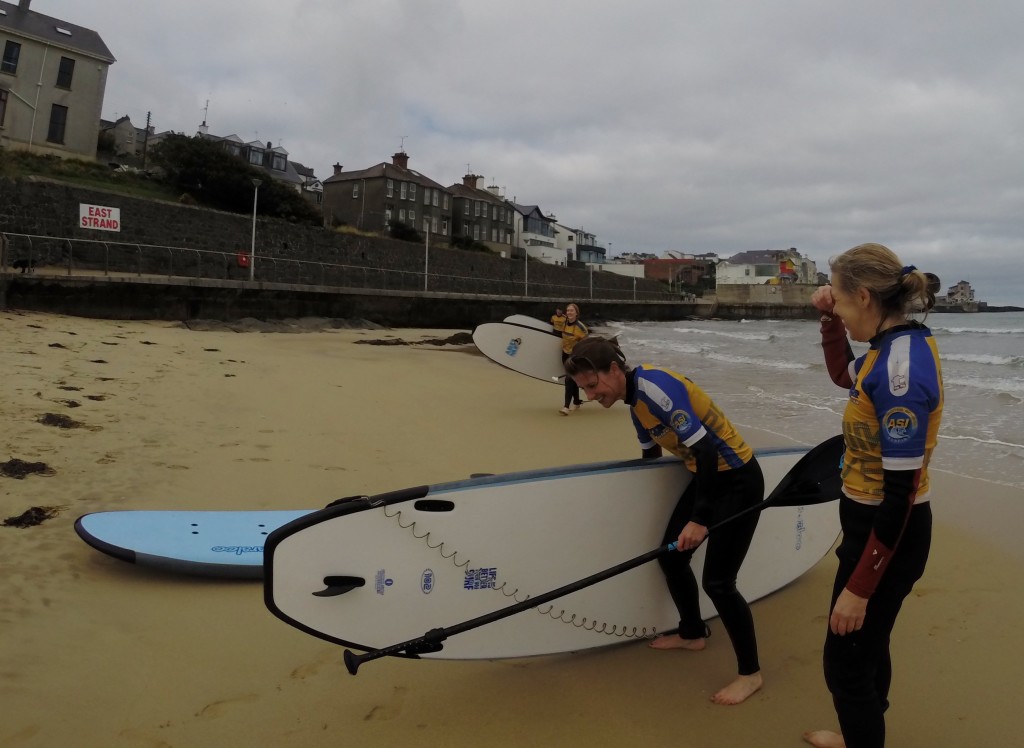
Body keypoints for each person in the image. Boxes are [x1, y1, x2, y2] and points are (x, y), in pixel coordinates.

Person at [564, 336, 765, 705]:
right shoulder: (635, 407)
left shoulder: (656, 388)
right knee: (671, 556)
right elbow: (650, 458)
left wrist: (700, 520)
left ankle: (750, 674)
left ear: (613, 369)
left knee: (719, 583)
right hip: (707, 478)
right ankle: (692, 632)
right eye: (583, 389)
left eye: (593, 386)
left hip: (737, 479)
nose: (591, 396)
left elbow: (704, 449)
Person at [803, 244, 943, 748]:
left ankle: (862, 736)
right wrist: (828, 321)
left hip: (890, 534)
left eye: (839, 302)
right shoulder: (887, 349)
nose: (836, 308)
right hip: (869, 525)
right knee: (867, 646)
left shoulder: (900, 376)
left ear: (863, 296)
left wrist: (860, 588)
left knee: (845, 666)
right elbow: (848, 377)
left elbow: (900, 496)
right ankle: (863, 733)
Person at [551, 303, 588, 415]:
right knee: (573, 380)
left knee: (568, 379)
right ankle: (576, 402)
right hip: (565, 354)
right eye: (568, 310)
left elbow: (586, 344)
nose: (569, 312)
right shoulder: (564, 323)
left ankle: (566, 407)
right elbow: (557, 332)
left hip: (575, 357)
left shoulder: (581, 327)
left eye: (572, 310)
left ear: (576, 313)